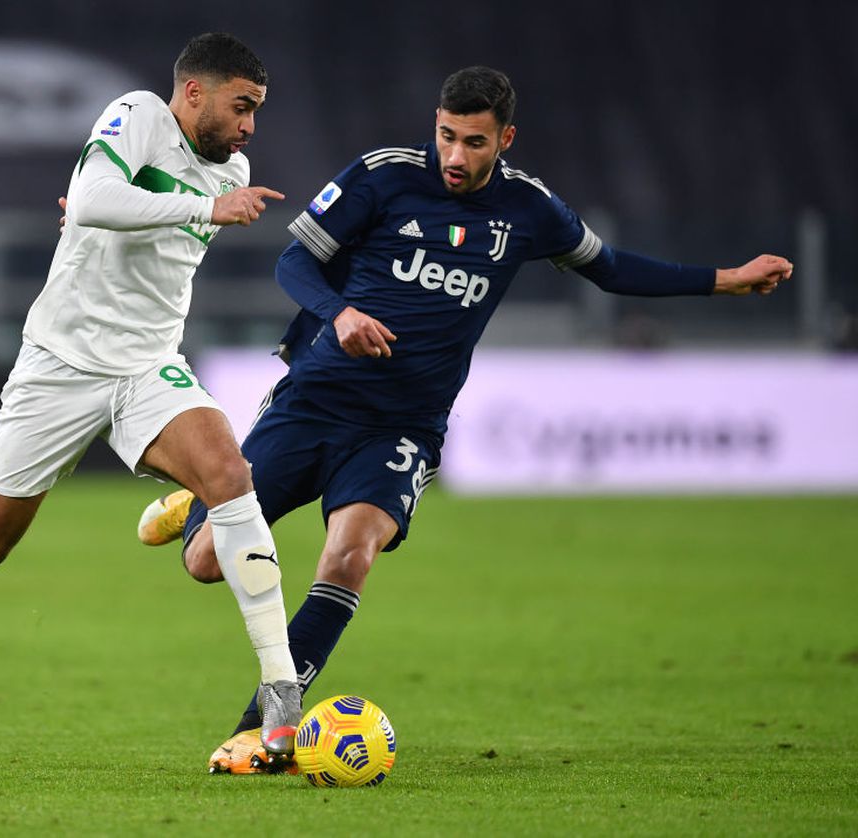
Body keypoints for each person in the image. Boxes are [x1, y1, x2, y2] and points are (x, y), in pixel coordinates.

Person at [136, 65, 793, 774]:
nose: (455, 155)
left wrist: (723, 279)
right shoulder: (382, 176)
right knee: (206, 564)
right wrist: (342, 314)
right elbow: (296, 263)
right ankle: (202, 501)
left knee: (349, 556)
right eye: (446, 136)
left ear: (504, 139)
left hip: (404, 425)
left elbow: (609, 267)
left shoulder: (530, 209)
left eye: (474, 142)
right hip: (317, 400)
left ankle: (266, 732)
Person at [0, 32, 304, 757]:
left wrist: (144, 205)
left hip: (146, 369)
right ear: (194, 93)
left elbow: (113, 212)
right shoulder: (139, 114)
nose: (249, 127)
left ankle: (280, 687)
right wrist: (194, 210)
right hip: (60, 366)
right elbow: (91, 201)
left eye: (257, 111)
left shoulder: (228, 168)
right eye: (241, 106)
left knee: (231, 476)